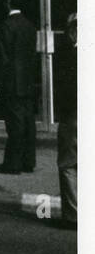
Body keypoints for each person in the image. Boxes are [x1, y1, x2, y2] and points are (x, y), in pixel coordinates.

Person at [0, 0, 38, 174]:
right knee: (28, 122)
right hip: (27, 80)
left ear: (8, 3)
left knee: (14, 124)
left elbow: (4, 57)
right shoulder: (30, 25)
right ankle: (28, 161)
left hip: (12, 81)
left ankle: (13, 163)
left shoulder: (7, 25)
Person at [52, 12, 77, 227]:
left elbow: (67, 89)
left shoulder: (71, 55)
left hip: (74, 115)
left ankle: (73, 215)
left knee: (68, 163)